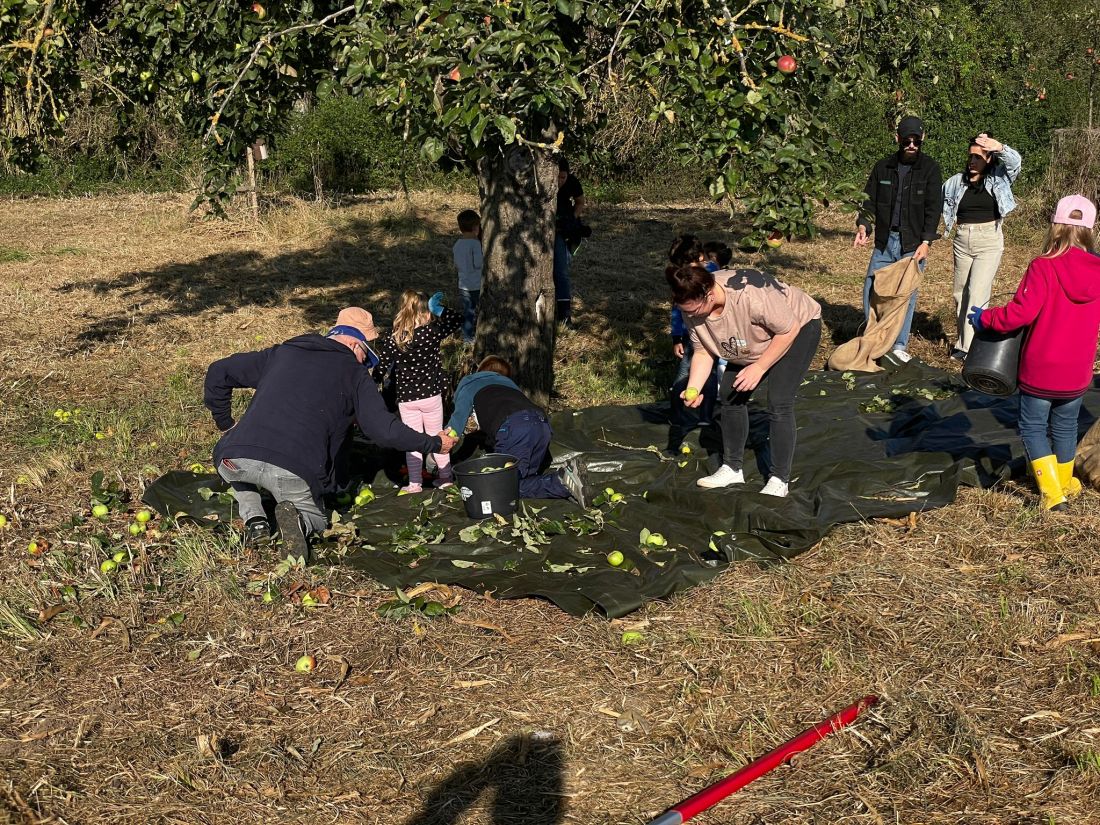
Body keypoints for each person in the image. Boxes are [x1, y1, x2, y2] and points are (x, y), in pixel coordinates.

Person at [204, 307, 457, 557]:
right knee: (318, 519)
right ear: (355, 345)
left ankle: (255, 520)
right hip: (291, 470)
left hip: (233, 458)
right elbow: (385, 431)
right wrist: (433, 443)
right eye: (366, 354)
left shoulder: (283, 353)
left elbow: (219, 371)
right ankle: (301, 523)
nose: (365, 363)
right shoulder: (355, 374)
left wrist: (226, 423)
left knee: (241, 467)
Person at [968, 195, 1100, 512]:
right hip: (1078, 370)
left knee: (1033, 426)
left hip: (1042, 368)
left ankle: (1053, 495)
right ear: (1090, 230)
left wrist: (985, 318)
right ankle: (1065, 482)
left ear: (1055, 225)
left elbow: (1020, 314)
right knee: (1066, 426)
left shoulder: (1043, 266)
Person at [668, 264, 822, 497]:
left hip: (796, 328)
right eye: (685, 311)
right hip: (750, 340)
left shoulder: (751, 295)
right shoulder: (691, 307)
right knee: (729, 395)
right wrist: (694, 387)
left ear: (709, 295)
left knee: (779, 401)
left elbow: (788, 330)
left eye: (693, 310)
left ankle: (780, 479)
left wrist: (759, 367)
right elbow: (702, 351)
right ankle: (732, 468)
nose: (690, 316)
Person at [854, 115, 943, 364]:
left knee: (905, 296)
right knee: (872, 288)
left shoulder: (930, 169)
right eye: (907, 140)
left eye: (916, 140)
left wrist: (926, 242)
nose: (912, 145)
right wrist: (864, 225)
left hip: (912, 243)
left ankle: (899, 344)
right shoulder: (883, 167)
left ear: (922, 138)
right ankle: (873, 337)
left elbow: (933, 208)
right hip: (885, 240)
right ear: (898, 139)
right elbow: (869, 201)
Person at [445, 356, 587, 505]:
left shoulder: (470, 383)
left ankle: (560, 482)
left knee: (500, 487)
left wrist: (435, 460)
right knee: (522, 479)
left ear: (480, 371)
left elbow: (452, 430)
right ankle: (565, 483)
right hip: (541, 424)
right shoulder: (509, 385)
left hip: (514, 427)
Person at [374, 290, 463, 494]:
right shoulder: (432, 332)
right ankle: (445, 478)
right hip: (431, 396)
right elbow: (457, 320)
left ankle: (414, 483)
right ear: (425, 312)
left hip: (407, 399)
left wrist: (371, 387)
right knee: (438, 437)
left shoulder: (395, 338)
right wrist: (440, 309)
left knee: (412, 442)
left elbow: (381, 367)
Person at [943, 133, 1022, 360]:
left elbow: (1015, 163)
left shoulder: (998, 178)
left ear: (989, 159)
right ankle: (963, 341)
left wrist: (999, 147)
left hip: (988, 239)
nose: (972, 161)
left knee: (977, 293)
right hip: (962, 239)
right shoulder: (955, 182)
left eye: (978, 157)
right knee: (960, 293)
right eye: (971, 156)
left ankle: (971, 348)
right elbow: (934, 201)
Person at [667, 234, 720, 452]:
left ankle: (706, 416)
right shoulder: (682, 279)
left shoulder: (713, 274)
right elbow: (678, 309)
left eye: (688, 264)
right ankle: (677, 415)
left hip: (712, 332)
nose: (685, 269)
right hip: (691, 333)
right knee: (684, 374)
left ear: (700, 258)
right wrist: (677, 336)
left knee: (710, 374)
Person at [553, 158, 586, 328]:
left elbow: (580, 202)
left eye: (563, 177)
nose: (559, 181)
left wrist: (572, 219)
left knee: (561, 271)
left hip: (562, 229)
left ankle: (565, 317)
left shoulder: (572, 182)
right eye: (556, 177)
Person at [453, 209, 483, 345]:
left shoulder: (457, 244)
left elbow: (456, 264)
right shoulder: (475, 244)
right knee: (479, 309)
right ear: (476, 227)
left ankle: (466, 336)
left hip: (463, 284)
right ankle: (474, 335)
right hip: (476, 284)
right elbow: (478, 264)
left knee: (468, 311)